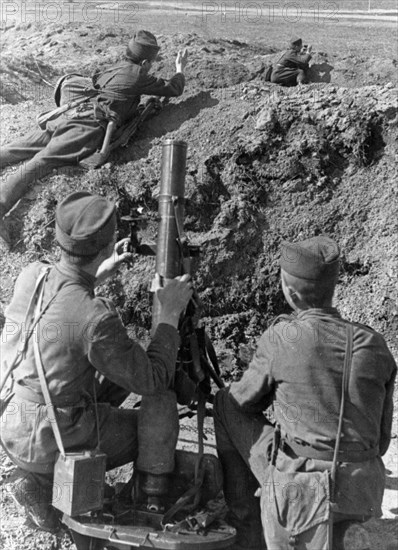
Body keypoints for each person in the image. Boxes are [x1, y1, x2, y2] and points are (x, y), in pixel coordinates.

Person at [0, 191, 193, 532]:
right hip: (47, 438)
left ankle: (32, 477)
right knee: (151, 425)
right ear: (105, 246)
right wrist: (170, 316)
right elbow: (152, 379)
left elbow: (63, 301)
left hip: (13, 422)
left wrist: (101, 270)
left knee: (110, 373)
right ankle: (133, 500)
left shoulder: (33, 275)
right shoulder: (95, 319)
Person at [213, 236, 396, 550]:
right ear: (334, 286)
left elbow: (242, 400)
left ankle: (247, 528)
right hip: (363, 486)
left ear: (290, 291)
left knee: (223, 403)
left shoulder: (282, 337)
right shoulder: (374, 344)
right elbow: (380, 442)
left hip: (305, 491)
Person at [0, 30, 188, 249]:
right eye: (150, 64)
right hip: (85, 128)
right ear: (145, 62)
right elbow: (174, 89)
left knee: (22, 146)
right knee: (43, 161)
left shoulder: (114, 67)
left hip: (72, 115)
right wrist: (179, 69)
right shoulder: (138, 75)